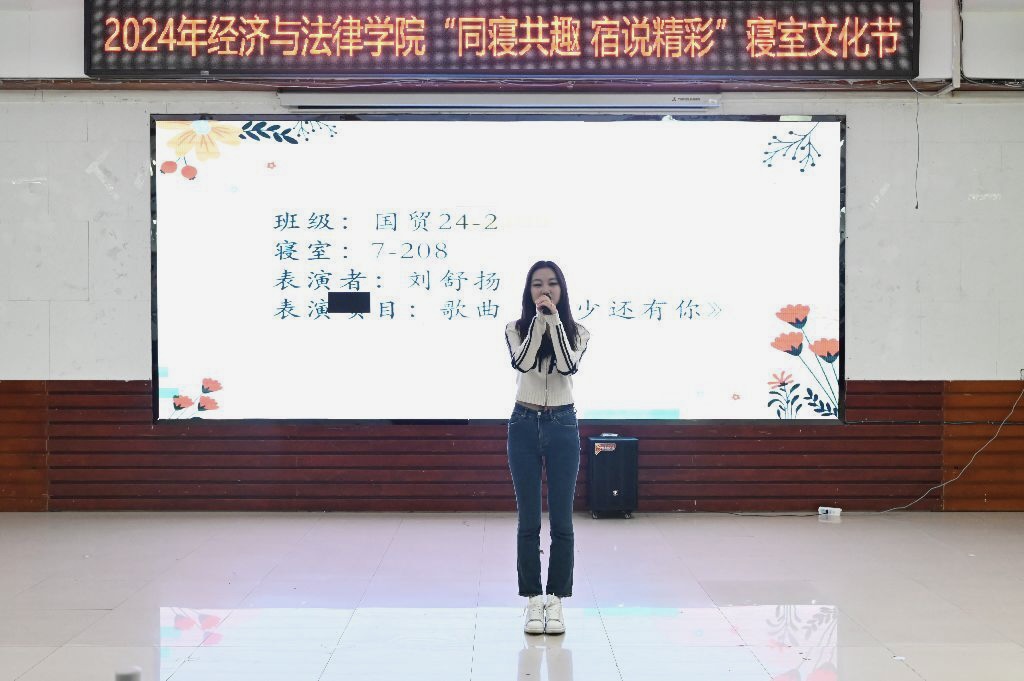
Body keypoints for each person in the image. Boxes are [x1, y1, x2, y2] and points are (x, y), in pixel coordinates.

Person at [504, 260, 591, 635]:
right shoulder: (515, 328)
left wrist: (553, 321)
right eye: (538, 284)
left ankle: (555, 600)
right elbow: (522, 362)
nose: (545, 289)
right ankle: (532, 600)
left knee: (562, 521)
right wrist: (539, 323)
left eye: (552, 283)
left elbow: (568, 366)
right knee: (528, 520)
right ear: (529, 291)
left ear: (562, 290)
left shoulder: (578, 331)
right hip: (523, 423)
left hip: (562, 423)